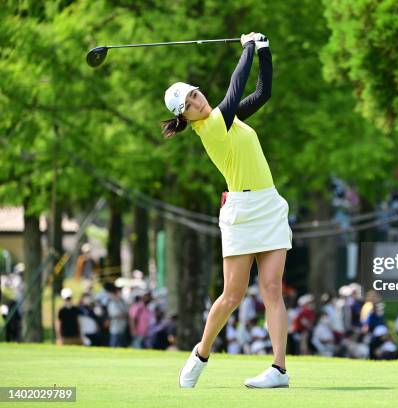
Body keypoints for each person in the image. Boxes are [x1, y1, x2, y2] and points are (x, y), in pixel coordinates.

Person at [164, 32, 292, 389]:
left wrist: (264, 50)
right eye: (188, 104)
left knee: (272, 290)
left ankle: (279, 369)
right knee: (232, 295)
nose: (196, 101)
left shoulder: (228, 117)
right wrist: (247, 47)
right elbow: (235, 89)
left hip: (269, 204)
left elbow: (262, 93)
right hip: (241, 212)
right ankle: (202, 353)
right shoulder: (211, 128)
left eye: (194, 93)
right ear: (185, 117)